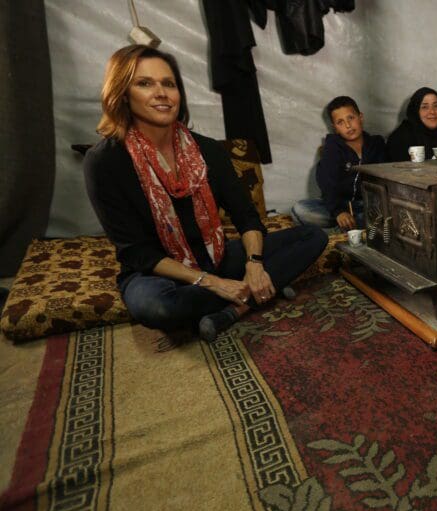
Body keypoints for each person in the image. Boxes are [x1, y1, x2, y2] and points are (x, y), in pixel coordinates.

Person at [84, 45, 328, 342]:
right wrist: (214, 284)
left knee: (313, 236)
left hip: (217, 255)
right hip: (157, 273)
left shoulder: (208, 150)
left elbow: (247, 217)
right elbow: (137, 252)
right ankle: (261, 291)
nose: (161, 92)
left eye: (169, 84)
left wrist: (253, 263)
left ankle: (235, 308)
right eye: (145, 83)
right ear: (123, 93)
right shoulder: (105, 161)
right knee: (158, 308)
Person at [292, 96, 386, 231]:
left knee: (385, 215)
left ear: (360, 117)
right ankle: (352, 224)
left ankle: (351, 226)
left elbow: (385, 179)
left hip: (368, 206)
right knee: (300, 209)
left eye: (351, 118)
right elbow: (327, 183)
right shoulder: (333, 147)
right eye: (340, 122)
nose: (348, 125)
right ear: (335, 127)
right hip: (339, 205)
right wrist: (338, 211)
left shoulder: (376, 143)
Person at [386, 87, 437, 161]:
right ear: (415, 111)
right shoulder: (400, 138)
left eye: (436, 106)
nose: (432, 111)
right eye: (425, 107)